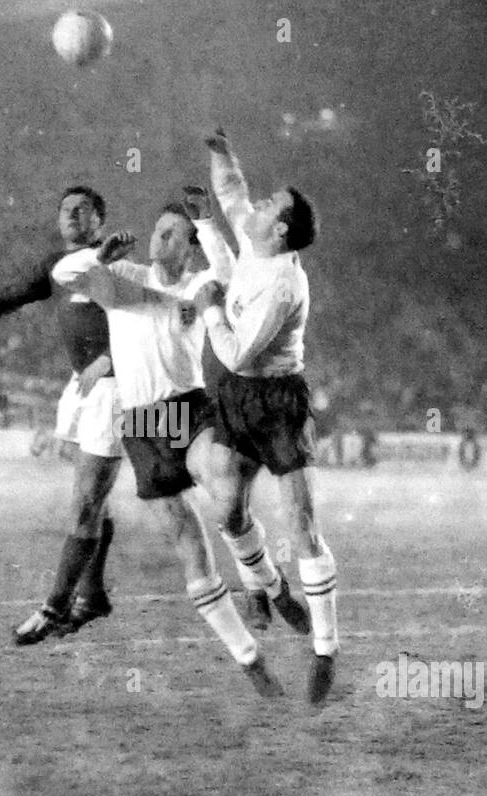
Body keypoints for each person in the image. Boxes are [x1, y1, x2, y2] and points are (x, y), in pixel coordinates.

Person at [50, 195, 305, 696]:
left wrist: (208, 226)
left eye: (170, 234)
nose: (157, 240)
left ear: (188, 247)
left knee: (227, 493)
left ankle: (268, 584)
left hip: (188, 411)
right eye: (157, 231)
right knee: (190, 545)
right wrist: (99, 257)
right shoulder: (126, 275)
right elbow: (65, 273)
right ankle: (249, 659)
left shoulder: (198, 285)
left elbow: (233, 277)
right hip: (142, 426)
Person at [193, 128, 340, 704]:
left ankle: (325, 648)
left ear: (280, 228)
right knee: (229, 515)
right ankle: (272, 588)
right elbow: (232, 193)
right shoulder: (259, 246)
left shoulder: (283, 284)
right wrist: (220, 149)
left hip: (277, 403)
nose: (253, 208)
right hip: (237, 399)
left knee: (300, 523)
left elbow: (236, 352)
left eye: (268, 205)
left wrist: (207, 308)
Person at [0, 186, 121, 644]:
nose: (72, 216)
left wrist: (114, 359)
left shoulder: (115, 263)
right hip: (82, 388)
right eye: (65, 209)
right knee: (91, 502)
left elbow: (148, 322)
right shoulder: (55, 269)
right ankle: (93, 592)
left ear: (100, 219)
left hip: (116, 389)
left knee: (86, 506)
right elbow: (9, 300)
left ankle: (54, 608)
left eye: (83, 210)